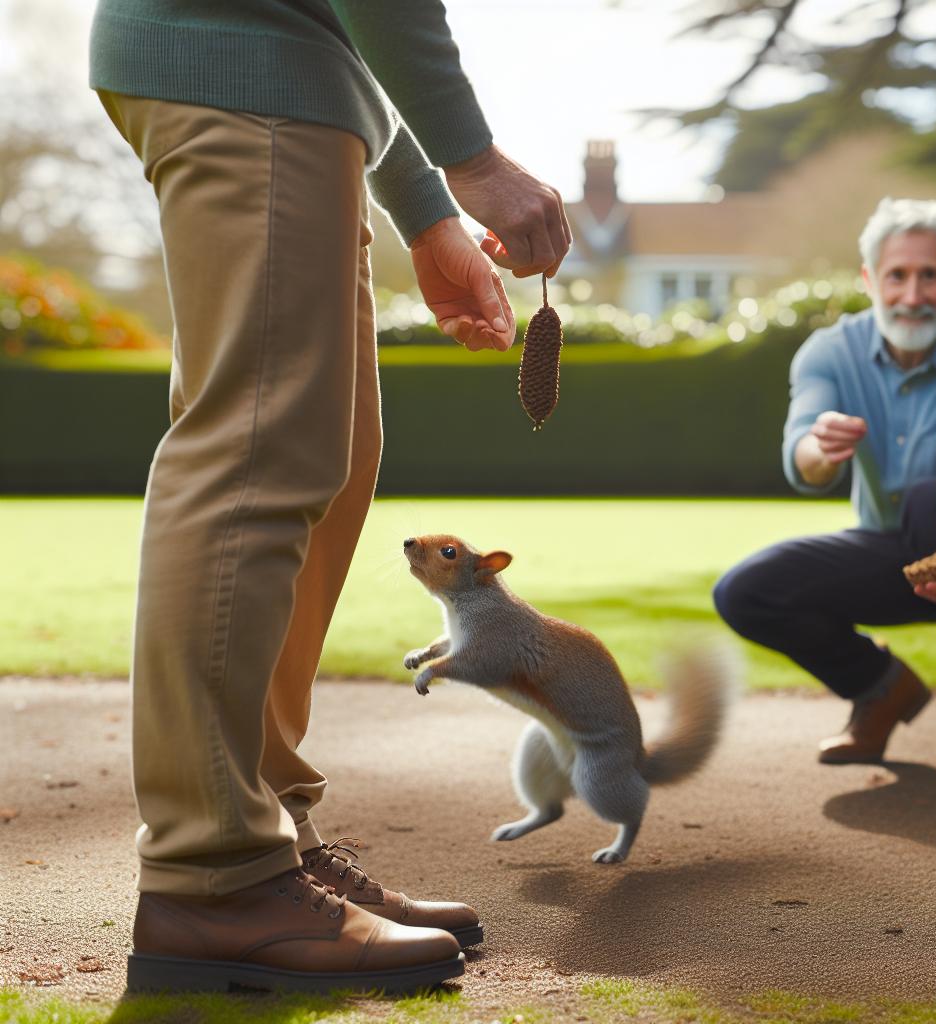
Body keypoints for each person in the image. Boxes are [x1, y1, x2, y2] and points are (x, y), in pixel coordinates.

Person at [89, 0, 571, 993]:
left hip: (301, 82)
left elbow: (341, 24)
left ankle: (264, 828)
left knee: (330, 461)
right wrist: (472, 155)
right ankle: (214, 873)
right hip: (238, 60)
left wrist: (428, 210)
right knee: (257, 455)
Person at [713, 198, 936, 781]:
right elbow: (802, 457)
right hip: (891, 551)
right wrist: (820, 447)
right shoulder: (828, 354)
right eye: (898, 275)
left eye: (929, 275)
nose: (913, 295)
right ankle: (880, 688)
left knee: (924, 496)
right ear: (869, 280)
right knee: (743, 592)